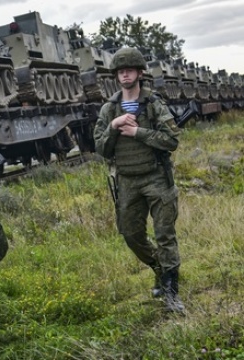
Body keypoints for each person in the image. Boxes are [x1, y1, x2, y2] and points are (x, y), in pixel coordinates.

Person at [93, 47, 185, 313]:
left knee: (165, 235)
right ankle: (159, 268)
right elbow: (100, 148)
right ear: (116, 76)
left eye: (129, 70)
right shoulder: (109, 109)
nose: (124, 75)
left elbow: (172, 140)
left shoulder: (153, 103)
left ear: (139, 73)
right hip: (127, 180)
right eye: (120, 71)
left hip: (156, 178)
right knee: (131, 234)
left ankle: (171, 292)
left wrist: (138, 132)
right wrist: (113, 127)